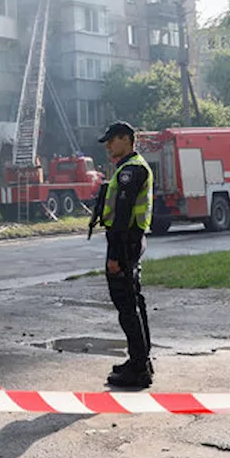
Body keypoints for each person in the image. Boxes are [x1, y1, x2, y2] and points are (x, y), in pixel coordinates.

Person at [96, 121, 154, 389]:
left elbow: (121, 217)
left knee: (127, 306)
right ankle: (140, 360)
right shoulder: (128, 168)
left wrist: (115, 256)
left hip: (125, 241)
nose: (108, 145)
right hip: (130, 240)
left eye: (112, 140)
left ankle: (139, 368)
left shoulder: (132, 171)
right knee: (133, 303)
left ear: (128, 139)